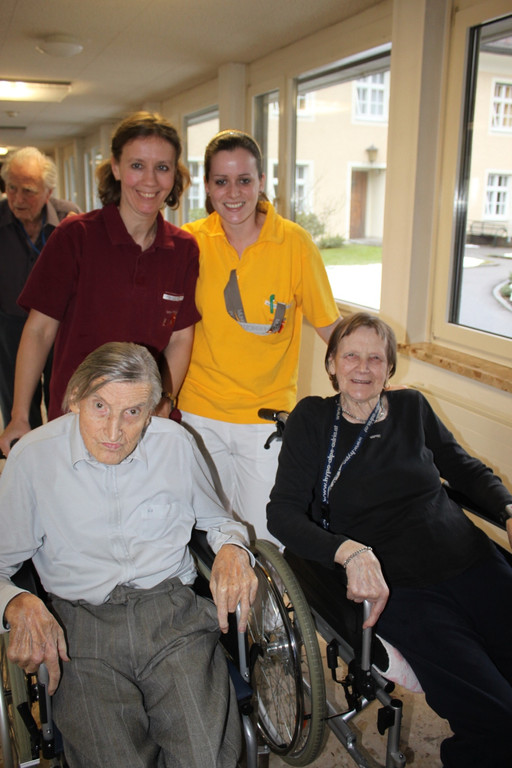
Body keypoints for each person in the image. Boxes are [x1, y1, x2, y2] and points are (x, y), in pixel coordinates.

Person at [267, 311, 512, 768]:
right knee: (496, 718)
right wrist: (349, 552)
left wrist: (507, 508)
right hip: (400, 588)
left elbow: (463, 468)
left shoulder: (412, 407)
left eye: (375, 358)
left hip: (472, 559)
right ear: (332, 364)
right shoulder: (313, 419)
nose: (363, 368)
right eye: (351, 356)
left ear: (390, 368)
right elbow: (282, 513)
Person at [0, 342, 258, 768]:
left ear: (152, 411)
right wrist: (17, 601)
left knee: (205, 757)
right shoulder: (33, 457)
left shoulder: (175, 444)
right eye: (100, 406)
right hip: (80, 631)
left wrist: (232, 548)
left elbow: (218, 521)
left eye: (133, 412)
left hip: (172, 618)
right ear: (74, 398)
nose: (114, 431)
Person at [0, 111, 200, 457]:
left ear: (174, 174)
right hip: (76, 419)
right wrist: (19, 416)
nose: (150, 180)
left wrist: (165, 400)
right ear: (116, 168)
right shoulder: (75, 236)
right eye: (137, 165)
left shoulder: (183, 249)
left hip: (143, 423)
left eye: (162, 167)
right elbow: (39, 331)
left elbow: (180, 338)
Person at [180, 129, 340, 541]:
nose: (233, 193)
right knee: (207, 534)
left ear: (262, 181)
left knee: (267, 538)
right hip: (199, 414)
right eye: (221, 181)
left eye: (244, 180)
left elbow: (329, 326)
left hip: (266, 420)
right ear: (207, 185)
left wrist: (374, 375)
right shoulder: (191, 242)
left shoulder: (294, 243)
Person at [0, 147, 81, 431]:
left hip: (58, 325)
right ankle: (22, 448)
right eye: (11, 188)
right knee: (17, 401)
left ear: (48, 192)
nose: (18, 198)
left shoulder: (69, 219)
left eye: (28, 191)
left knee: (61, 397)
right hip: (10, 324)